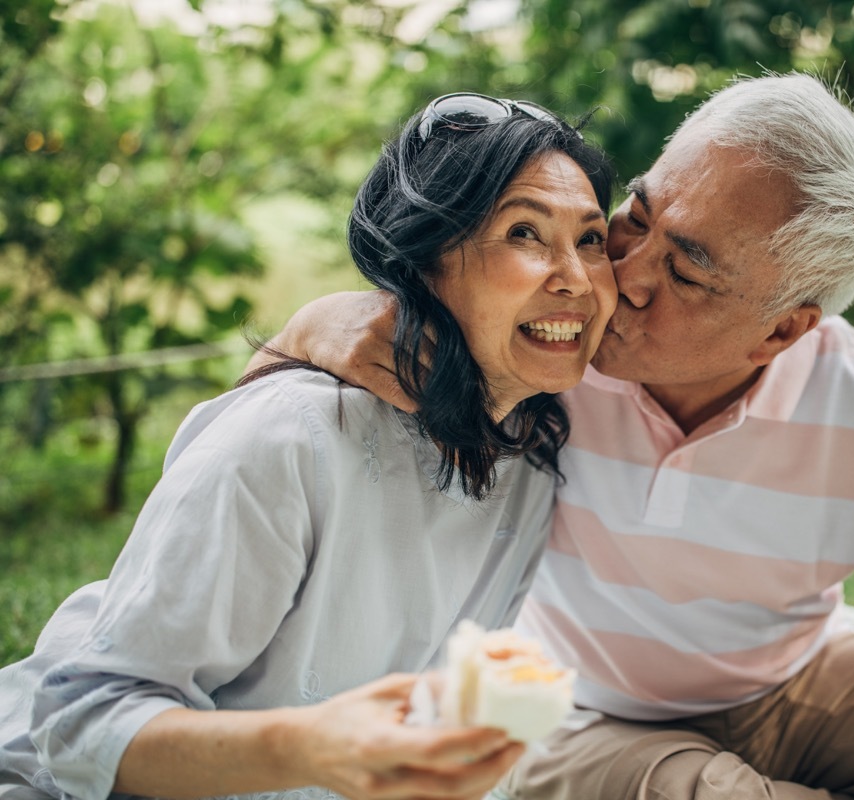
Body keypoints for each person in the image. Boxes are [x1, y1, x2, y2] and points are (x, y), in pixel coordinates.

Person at [245, 74, 854, 799]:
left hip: (796, 688)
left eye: (686, 271)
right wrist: (310, 328)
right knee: (706, 790)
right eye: (637, 218)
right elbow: (286, 422)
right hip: (574, 716)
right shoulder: (549, 345)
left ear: (783, 332)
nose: (621, 276)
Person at [0, 92, 617, 800]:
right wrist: (310, 748)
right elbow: (79, 724)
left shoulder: (538, 450)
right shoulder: (293, 437)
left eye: (591, 239)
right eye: (524, 234)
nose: (574, 277)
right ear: (425, 262)